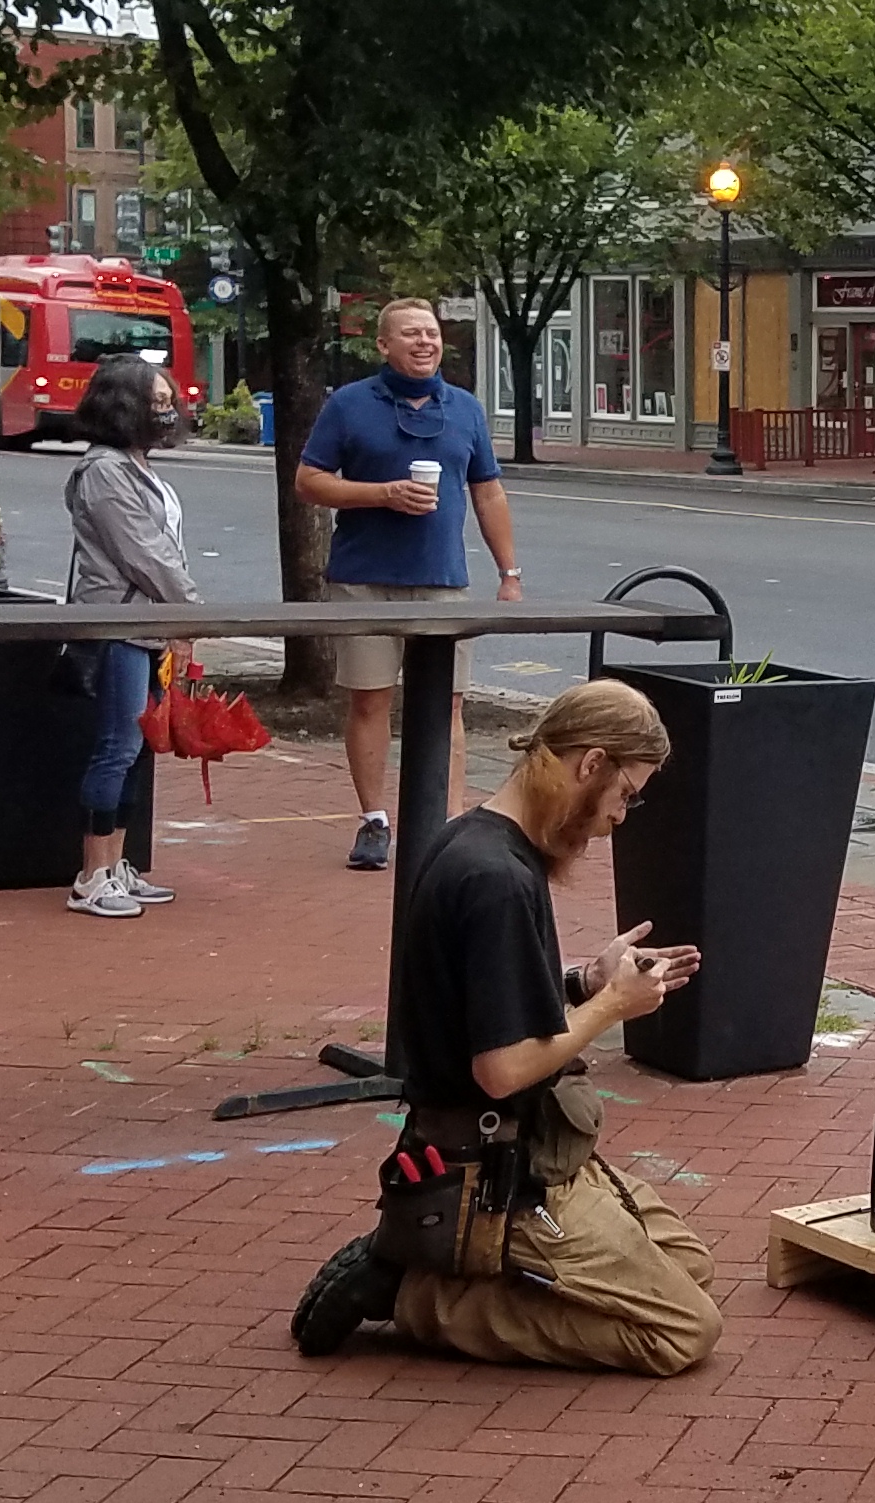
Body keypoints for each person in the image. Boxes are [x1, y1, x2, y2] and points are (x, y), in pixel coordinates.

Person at [291, 680, 721, 1375]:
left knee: (689, 1268)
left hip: (530, 1149)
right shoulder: (498, 879)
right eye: (625, 794)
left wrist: (586, 982)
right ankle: (416, 1294)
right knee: (682, 1332)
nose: (620, 816)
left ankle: (450, 1267)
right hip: (499, 1172)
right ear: (591, 764)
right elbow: (502, 1069)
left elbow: (484, 1000)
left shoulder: (476, 839)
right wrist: (612, 1007)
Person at [293, 296, 521, 870]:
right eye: (412, 333)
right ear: (383, 345)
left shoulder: (465, 408)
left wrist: (509, 572)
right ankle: (374, 820)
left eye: (432, 333)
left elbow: (488, 492)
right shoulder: (349, 405)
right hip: (363, 580)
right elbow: (309, 481)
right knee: (370, 700)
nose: (425, 342)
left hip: (442, 582)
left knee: (448, 705)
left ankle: (446, 823)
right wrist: (383, 494)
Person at [60, 356, 200, 919]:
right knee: (117, 746)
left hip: (146, 625)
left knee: (137, 747)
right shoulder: (104, 471)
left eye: (170, 402)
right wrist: (193, 612)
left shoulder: (135, 466)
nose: (168, 413)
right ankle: (92, 876)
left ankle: (117, 866)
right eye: (157, 403)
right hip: (119, 624)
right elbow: (145, 553)